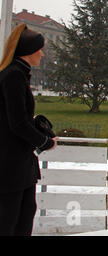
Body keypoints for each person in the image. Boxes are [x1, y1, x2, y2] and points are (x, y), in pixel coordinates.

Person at [0, 24, 59, 236]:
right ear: (28, 52)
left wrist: (39, 128)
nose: (42, 54)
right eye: (40, 50)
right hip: (11, 166)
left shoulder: (17, 74)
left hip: (19, 165)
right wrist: (45, 142)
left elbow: (15, 118)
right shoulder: (13, 76)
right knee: (11, 221)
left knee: (24, 214)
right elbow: (17, 124)